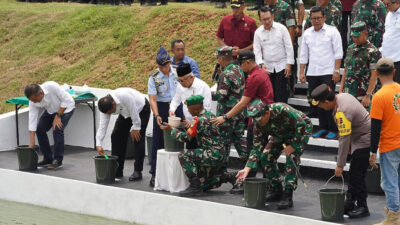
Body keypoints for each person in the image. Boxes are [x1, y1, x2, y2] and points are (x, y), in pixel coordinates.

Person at [236, 100, 312, 209]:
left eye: (259, 118)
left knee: (291, 158)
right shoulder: (258, 125)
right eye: (254, 119)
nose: (257, 122)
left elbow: (301, 124)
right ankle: (276, 189)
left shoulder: (281, 109)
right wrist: (246, 169)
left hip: (300, 130)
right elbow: (256, 148)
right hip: (280, 133)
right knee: (265, 157)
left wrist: (293, 145)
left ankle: (288, 194)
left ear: (267, 113)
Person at [311, 84, 371, 218]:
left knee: (357, 174)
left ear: (326, 101)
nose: (320, 107)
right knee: (354, 173)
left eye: (320, 105)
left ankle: (362, 206)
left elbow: (344, 138)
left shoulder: (342, 111)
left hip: (364, 138)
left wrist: (340, 164)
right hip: (357, 136)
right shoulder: (340, 97)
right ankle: (350, 203)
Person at [162, 95, 237, 196]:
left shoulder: (199, 121)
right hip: (220, 153)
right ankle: (228, 177)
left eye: (189, 108)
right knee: (205, 186)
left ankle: (194, 186)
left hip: (212, 154)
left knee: (184, 155)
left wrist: (172, 129)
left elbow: (185, 138)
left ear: (195, 108)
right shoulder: (210, 115)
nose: (188, 111)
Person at [213, 50, 274, 154]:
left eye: (241, 64)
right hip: (259, 113)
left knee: (251, 150)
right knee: (248, 146)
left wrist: (225, 117)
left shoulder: (254, 77)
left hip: (258, 116)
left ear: (248, 62)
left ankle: (250, 170)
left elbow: (243, 102)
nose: (240, 67)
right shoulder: (260, 73)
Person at [299, 6, 343, 139]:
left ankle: (333, 128)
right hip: (312, 72)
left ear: (324, 17)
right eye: (313, 18)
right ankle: (322, 128)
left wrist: (336, 71)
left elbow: (338, 53)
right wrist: (301, 71)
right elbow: (304, 55)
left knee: (329, 102)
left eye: (319, 18)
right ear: (310, 19)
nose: (316, 21)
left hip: (328, 72)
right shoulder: (307, 33)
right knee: (317, 102)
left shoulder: (332, 31)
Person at [369, 58, 400, 224]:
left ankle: (393, 217)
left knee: (389, 182)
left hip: (389, 145)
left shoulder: (379, 97)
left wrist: (373, 152)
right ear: (394, 71)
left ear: (377, 73)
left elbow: (375, 128)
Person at [96, 88, 150, 181]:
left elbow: (133, 111)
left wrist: (136, 127)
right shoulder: (104, 106)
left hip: (141, 109)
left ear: (113, 104)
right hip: (126, 113)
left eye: (110, 112)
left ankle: (137, 171)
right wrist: (99, 143)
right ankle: (117, 170)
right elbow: (102, 125)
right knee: (116, 136)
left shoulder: (124, 96)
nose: (109, 114)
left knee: (137, 138)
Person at [148, 46, 183, 187]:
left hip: (177, 106)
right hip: (162, 108)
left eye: (166, 65)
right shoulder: (154, 77)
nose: (164, 69)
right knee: (158, 140)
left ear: (170, 62)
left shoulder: (177, 72)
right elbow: (152, 99)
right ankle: (154, 173)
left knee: (180, 136)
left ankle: (181, 171)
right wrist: (156, 114)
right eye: (161, 66)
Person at [25, 82, 75, 170]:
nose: (34, 102)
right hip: (51, 110)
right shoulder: (32, 100)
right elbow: (32, 117)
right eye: (32, 101)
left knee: (57, 129)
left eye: (35, 100)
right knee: (40, 129)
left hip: (66, 108)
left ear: (41, 93)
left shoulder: (52, 86)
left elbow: (66, 100)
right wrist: (32, 141)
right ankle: (48, 158)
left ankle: (58, 160)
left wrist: (58, 116)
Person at [212, 46, 248, 171]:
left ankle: (222, 172)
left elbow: (221, 94)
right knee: (240, 141)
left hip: (226, 115)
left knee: (224, 144)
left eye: (217, 57)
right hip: (239, 113)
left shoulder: (226, 74)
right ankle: (250, 167)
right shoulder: (238, 68)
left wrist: (206, 93)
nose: (217, 60)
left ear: (221, 58)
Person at [253, 7, 294, 103]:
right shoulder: (258, 32)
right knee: (269, 94)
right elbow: (257, 51)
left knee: (281, 94)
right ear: (260, 20)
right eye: (264, 19)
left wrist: (289, 64)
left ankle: (282, 115)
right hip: (267, 67)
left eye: (268, 18)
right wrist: (260, 64)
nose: (267, 21)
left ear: (272, 16)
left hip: (282, 65)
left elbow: (289, 47)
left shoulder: (282, 29)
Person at [340, 22, 381, 108]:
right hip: (348, 94)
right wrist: (340, 91)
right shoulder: (350, 48)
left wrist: (368, 95)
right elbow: (346, 70)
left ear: (365, 33)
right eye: (353, 36)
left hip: (362, 95)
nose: (355, 39)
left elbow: (374, 74)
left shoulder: (373, 51)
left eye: (357, 36)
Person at [380, 0, 400, 83]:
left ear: (397, 3)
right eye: (385, 4)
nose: (386, 7)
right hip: (386, 56)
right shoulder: (388, 15)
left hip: (398, 58)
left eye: (388, 4)